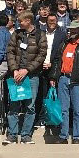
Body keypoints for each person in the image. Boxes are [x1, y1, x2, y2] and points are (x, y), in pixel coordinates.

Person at [4, 11, 47, 145]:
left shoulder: (40, 34)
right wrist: (14, 69)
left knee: (30, 106)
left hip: (32, 76)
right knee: (14, 104)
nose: (18, 22)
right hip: (16, 75)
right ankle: (12, 134)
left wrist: (27, 69)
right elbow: (10, 51)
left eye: (20, 20)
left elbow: (42, 55)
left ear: (28, 21)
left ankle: (26, 135)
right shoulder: (16, 34)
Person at [53, 21, 79, 144]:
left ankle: (76, 136)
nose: (72, 32)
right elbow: (57, 62)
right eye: (70, 29)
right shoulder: (64, 45)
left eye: (75, 30)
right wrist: (54, 77)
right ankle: (63, 135)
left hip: (77, 81)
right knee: (64, 109)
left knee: (77, 109)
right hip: (64, 78)